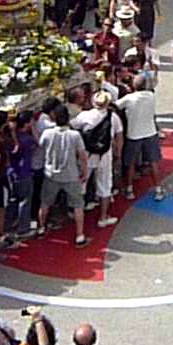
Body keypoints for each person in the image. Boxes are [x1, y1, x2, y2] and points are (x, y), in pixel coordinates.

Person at [37, 104, 90, 247]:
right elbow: (82, 155)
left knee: (45, 202)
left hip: (51, 174)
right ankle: (79, 235)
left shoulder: (47, 133)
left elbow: (40, 145)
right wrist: (84, 171)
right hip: (71, 174)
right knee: (78, 205)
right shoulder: (75, 135)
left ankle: (41, 228)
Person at [71, 92, 123, 230]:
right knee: (105, 185)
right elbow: (119, 135)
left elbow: (73, 126)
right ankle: (103, 217)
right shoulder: (114, 117)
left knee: (81, 184)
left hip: (86, 156)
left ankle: (78, 214)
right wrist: (118, 152)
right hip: (105, 156)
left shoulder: (85, 116)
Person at [119, 75, 166, 202]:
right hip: (150, 132)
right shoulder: (151, 97)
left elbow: (116, 106)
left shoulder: (129, 98)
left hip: (133, 134)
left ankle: (129, 189)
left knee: (131, 163)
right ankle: (158, 188)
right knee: (153, 162)